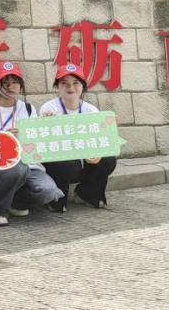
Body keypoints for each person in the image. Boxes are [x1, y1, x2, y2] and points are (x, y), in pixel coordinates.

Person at [0, 61, 66, 220]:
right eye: (5, 82)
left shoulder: (28, 109)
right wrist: (4, 139)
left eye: (15, 82)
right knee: (17, 168)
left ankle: (16, 202)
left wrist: (46, 125)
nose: (11, 86)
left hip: (30, 165)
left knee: (49, 192)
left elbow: (37, 141)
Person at [39, 63, 118, 209]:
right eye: (65, 83)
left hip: (85, 159)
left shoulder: (91, 110)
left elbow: (99, 139)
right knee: (66, 162)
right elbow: (45, 144)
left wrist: (99, 153)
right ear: (57, 86)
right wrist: (47, 124)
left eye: (76, 83)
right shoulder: (49, 108)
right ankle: (56, 200)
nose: (70, 87)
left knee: (108, 160)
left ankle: (85, 194)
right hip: (61, 161)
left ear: (83, 86)